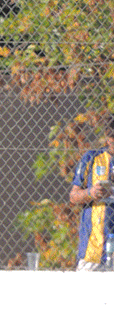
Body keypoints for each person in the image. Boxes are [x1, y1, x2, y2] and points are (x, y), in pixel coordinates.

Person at [69, 116, 114, 271]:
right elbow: (73, 196)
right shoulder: (92, 158)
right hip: (92, 251)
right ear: (108, 138)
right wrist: (91, 193)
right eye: (111, 137)